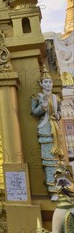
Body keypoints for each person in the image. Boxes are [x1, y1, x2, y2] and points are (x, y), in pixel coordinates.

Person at [31, 67, 64, 195]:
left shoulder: (56, 98)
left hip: (55, 130)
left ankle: (60, 187)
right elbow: (34, 112)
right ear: (40, 84)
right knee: (49, 161)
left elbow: (60, 112)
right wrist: (43, 104)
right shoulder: (37, 97)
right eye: (45, 82)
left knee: (58, 160)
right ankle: (52, 189)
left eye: (49, 82)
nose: (48, 84)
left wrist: (58, 115)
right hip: (45, 130)